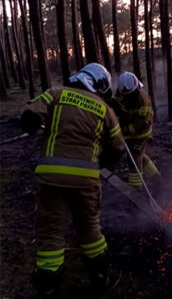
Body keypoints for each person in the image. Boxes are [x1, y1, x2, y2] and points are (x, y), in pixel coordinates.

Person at [20, 63, 124, 298]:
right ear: (99, 85)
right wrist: (99, 163)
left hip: (51, 179)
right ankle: (99, 277)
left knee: (51, 231)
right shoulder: (104, 108)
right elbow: (118, 148)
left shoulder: (56, 93)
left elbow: (30, 115)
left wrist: (33, 123)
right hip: (86, 182)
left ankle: (48, 286)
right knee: (90, 230)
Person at [108, 72, 159, 190]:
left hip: (141, 132)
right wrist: (112, 107)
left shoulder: (143, 99)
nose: (128, 96)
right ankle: (155, 176)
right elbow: (116, 101)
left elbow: (142, 122)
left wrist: (124, 131)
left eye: (130, 94)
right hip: (128, 130)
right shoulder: (122, 91)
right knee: (139, 154)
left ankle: (136, 187)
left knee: (134, 159)